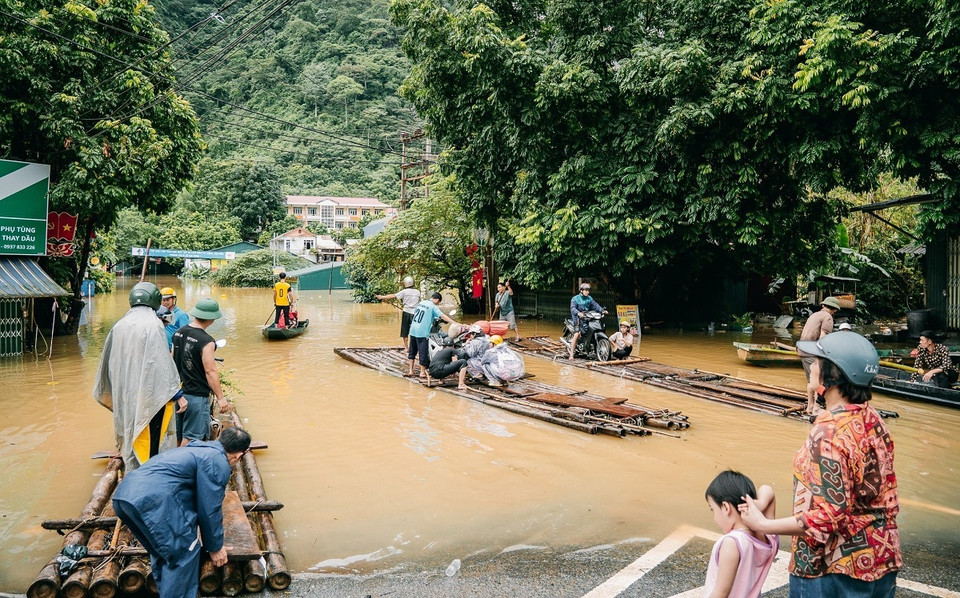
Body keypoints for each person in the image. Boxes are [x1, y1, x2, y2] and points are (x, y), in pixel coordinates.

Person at [740, 332, 901, 596]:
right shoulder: (873, 418)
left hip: (829, 569)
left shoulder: (828, 432)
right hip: (881, 557)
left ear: (832, 375)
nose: (812, 366)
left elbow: (828, 517)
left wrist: (763, 524)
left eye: (816, 361)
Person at [112, 426, 251, 598]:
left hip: (124, 497)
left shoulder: (197, 448)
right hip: (152, 503)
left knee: (164, 552)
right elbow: (209, 508)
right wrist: (215, 546)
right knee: (184, 553)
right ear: (239, 455)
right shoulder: (217, 461)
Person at [94, 282, 185, 471]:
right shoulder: (153, 325)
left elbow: (108, 364)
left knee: (129, 427)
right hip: (148, 394)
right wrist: (178, 395)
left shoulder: (119, 325)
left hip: (125, 392)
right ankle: (149, 472)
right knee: (149, 436)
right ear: (155, 301)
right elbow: (160, 364)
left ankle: (132, 468)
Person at [703, 470, 778, 598]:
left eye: (713, 509)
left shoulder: (732, 543)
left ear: (725, 507)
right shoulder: (767, 536)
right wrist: (758, 505)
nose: (714, 517)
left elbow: (721, 593)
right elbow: (768, 490)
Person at [172, 298, 231, 447]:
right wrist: (221, 397)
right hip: (196, 396)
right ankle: (181, 468)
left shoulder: (178, 333)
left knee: (179, 436)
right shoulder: (206, 341)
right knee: (192, 437)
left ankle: (174, 462)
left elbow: (171, 362)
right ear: (212, 319)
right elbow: (210, 370)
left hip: (178, 393)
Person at [797, 296, 840, 413]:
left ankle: (810, 407)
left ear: (823, 306)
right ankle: (815, 408)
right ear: (834, 310)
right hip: (812, 351)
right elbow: (823, 337)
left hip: (802, 349)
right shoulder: (828, 317)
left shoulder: (814, 315)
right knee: (819, 381)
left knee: (811, 380)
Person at [407, 292, 458, 378]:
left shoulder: (421, 303)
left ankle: (410, 370)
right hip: (422, 332)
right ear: (437, 300)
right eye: (438, 303)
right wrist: (454, 322)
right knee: (423, 352)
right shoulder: (433, 307)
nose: (437, 304)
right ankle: (422, 372)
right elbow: (442, 316)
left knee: (412, 351)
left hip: (413, 329)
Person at [376, 276, 421, 350]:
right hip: (416, 314)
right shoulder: (417, 292)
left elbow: (393, 296)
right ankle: (416, 348)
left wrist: (382, 297)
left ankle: (406, 348)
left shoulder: (404, 292)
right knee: (415, 331)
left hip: (406, 312)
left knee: (405, 331)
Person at [568, 283, 607, 360]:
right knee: (576, 334)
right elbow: (572, 308)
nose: (587, 292)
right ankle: (571, 354)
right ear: (581, 291)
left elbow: (595, 305)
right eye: (586, 290)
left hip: (587, 318)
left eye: (588, 290)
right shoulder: (575, 299)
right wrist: (578, 313)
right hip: (578, 319)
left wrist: (602, 310)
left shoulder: (589, 298)